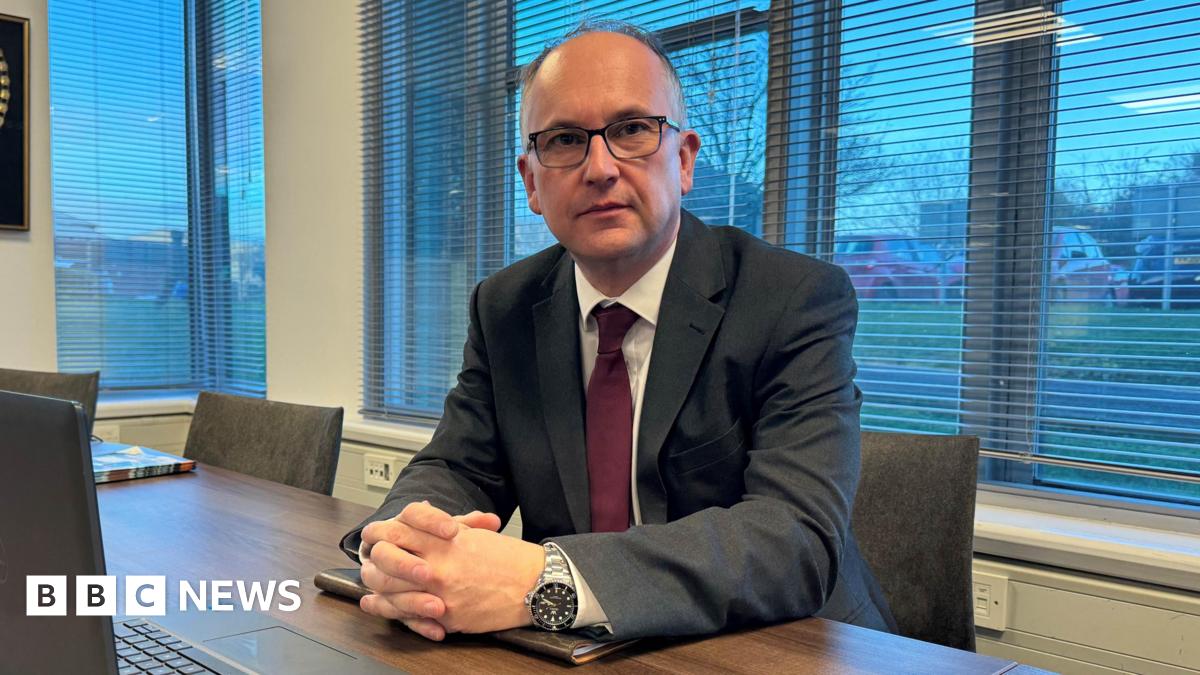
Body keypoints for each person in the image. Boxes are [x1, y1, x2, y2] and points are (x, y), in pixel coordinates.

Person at [340, 19, 896, 642]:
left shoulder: (792, 300)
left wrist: (544, 577)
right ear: (531, 181)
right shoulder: (504, 307)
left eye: (631, 130)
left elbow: (794, 539)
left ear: (683, 160)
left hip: (781, 645)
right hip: (576, 649)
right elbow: (457, 465)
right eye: (565, 140)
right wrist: (400, 547)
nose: (599, 168)